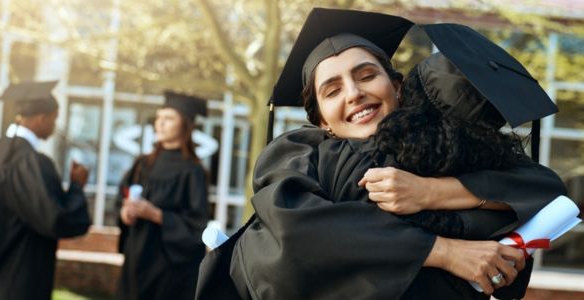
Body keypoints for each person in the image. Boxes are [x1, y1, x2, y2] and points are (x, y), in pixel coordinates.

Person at [195, 9, 567, 300]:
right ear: (321, 120)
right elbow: (301, 226)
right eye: (332, 89)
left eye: (366, 75)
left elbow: (542, 189)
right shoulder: (300, 153)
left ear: (398, 86)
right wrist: (445, 251)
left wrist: (427, 192)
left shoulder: (439, 150)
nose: (354, 93)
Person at [0, 81, 92, 300]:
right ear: (41, 118)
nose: (54, 126)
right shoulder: (31, 163)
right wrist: (76, 188)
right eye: (54, 118)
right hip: (14, 280)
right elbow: (57, 220)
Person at [116, 91, 210, 300]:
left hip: (168, 268)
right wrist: (125, 212)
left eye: (168, 119)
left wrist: (157, 215)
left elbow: (197, 227)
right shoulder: (143, 164)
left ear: (185, 125)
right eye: (159, 118)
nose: (160, 124)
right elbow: (120, 198)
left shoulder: (193, 172)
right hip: (136, 259)